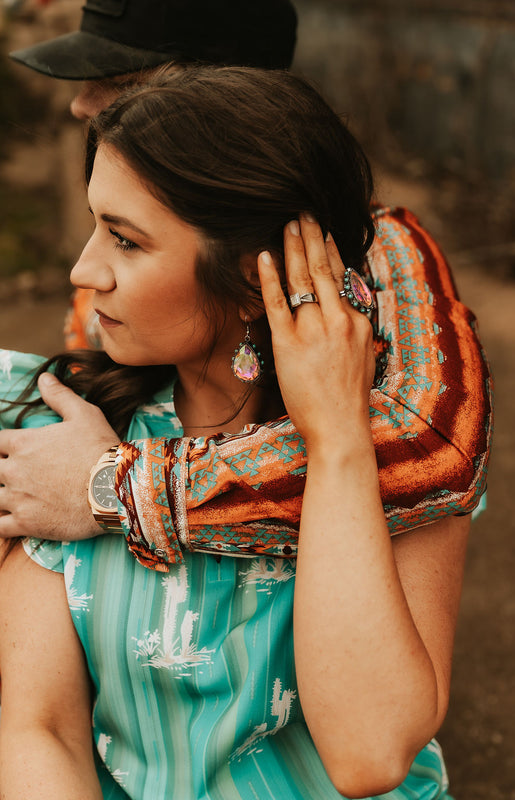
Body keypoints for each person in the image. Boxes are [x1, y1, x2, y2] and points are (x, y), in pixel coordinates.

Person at [0, 65, 474, 799]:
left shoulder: (401, 449)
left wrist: (338, 439)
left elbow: (369, 753)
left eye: (125, 241)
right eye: (96, 226)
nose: (84, 270)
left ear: (255, 280)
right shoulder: (62, 428)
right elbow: (39, 730)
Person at [1, 0, 492, 563]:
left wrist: (118, 487)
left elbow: (436, 447)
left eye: (124, 81)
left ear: (229, 96)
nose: (78, 103)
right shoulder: (116, 262)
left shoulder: (382, 249)